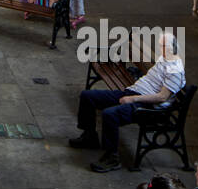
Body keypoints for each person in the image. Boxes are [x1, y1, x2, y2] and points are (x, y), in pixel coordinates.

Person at [70, 32, 186, 172]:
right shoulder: (164, 59)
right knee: (88, 96)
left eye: (163, 46)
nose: (160, 48)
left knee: (110, 115)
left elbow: (162, 97)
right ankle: (89, 136)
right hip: (132, 92)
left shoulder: (175, 71)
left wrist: (133, 99)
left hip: (147, 106)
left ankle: (112, 158)